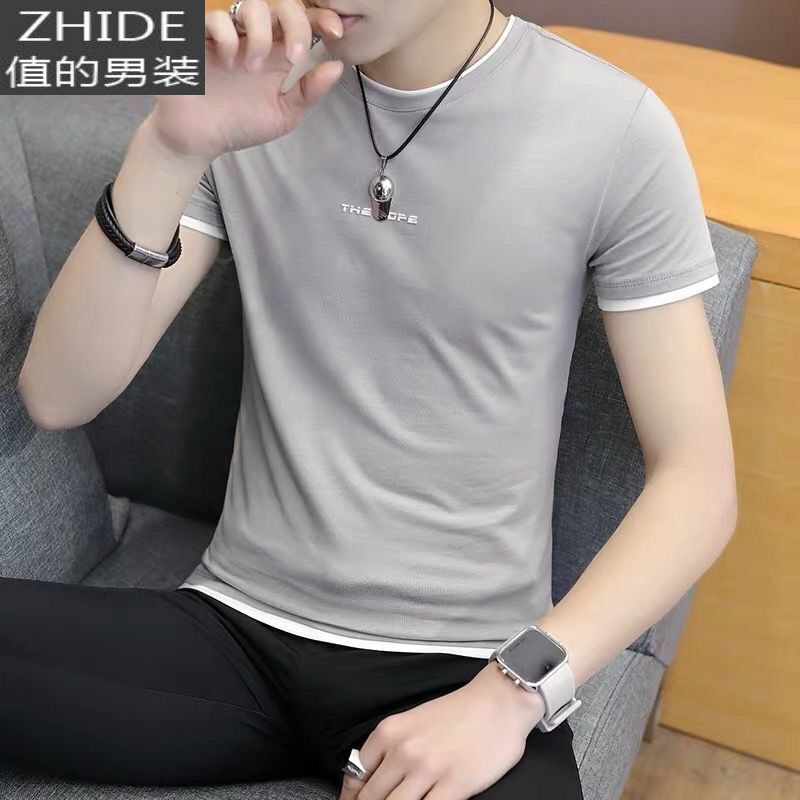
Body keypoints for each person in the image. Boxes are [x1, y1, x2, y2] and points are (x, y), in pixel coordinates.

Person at [8, 0, 737, 797]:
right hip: (233, 635)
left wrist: (512, 694)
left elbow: (698, 485)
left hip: (463, 669)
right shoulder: (249, 88)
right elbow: (57, 395)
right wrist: (167, 148)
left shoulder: (611, 126)